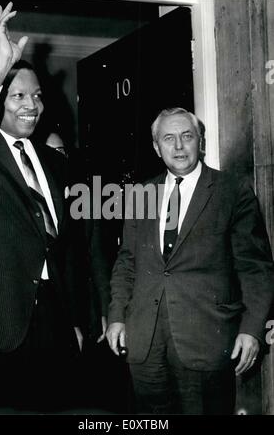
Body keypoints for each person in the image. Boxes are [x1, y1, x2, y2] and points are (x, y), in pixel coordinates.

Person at [106, 107, 274, 415]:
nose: (179, 146)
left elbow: (256, 268)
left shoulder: (232, 191)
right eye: (168, 138)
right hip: (145, 344)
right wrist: (116, 315)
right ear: (157, 148)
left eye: (187, 136)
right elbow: (127, 262)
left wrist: (251, 329)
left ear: (201, 141)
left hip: (206, 341)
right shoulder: (141, 193)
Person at [0, 2, 83, 411]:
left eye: (36, 96)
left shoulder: (54, 162)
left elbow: (66, 248)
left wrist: (74, 319)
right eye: (17, 95)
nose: (30, 105)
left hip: (53, 323)